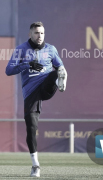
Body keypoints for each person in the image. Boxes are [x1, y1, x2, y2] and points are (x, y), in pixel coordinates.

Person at [5, 22, 68, 178]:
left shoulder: (51, 49)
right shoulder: (21, 50)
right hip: (31, 92)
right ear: (30, 34)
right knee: (31, 128)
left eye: (42, 33)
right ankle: (35, 165)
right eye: (36, 33)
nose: (39, 36)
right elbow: (8, 70)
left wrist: (62, 71)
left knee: (56, 72)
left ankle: (60, 82)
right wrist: (27, 64)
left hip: (46, 86)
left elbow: (60, 65)